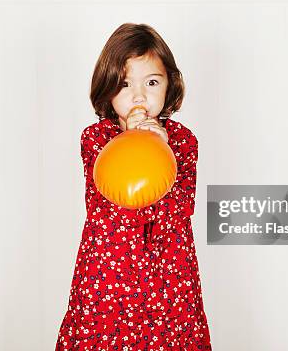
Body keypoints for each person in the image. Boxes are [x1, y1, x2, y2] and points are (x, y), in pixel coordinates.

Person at [56, 23, 212, 350]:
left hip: (168, 283)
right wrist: (132, 145)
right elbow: (102, 211)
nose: (139, 96)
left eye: (152, 82)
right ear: (108, 89)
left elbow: (180, 210)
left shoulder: (183, 141)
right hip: (107, 283)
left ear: (170, 86)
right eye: (125, 84)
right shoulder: (96, 139)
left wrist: (160, 147)